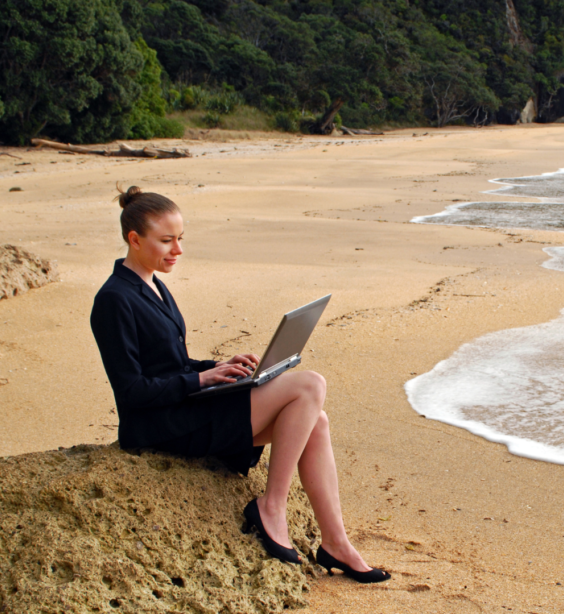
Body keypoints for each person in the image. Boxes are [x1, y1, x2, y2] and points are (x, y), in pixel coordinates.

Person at [90, 186, 389, 583]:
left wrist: (218, 366)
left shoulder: (154, 286)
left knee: (316, 421)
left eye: (181, 239)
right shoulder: (114, 299)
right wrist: (200, 379)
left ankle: (336, 542)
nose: (178, 249)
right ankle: (271, 508)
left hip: (185, 405)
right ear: (134, 239)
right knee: (309, 385)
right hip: (159, 425)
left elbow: (168, 363)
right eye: (167, 241)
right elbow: (131, 391)